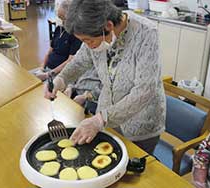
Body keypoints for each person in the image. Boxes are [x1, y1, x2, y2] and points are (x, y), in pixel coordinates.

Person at [44, 0, 166, 154]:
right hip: (107, 116)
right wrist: (60, 80)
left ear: (108, 26)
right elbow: (80, 61)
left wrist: (100, 119)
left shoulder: (146, 33)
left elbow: (144, 90)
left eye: (89, 41)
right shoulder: (95, 33)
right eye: (83, 41)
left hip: (141, 121)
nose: (88, 45)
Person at [35, 0, 82, 81]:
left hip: (60, 73)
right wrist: (42, 67)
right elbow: (49, 52)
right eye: (60, 18)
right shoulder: (58, 29)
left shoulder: (76, 35)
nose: (62, 22)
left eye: (63, 18)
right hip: (47, 69)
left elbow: (70, 61)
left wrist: (49, 74)